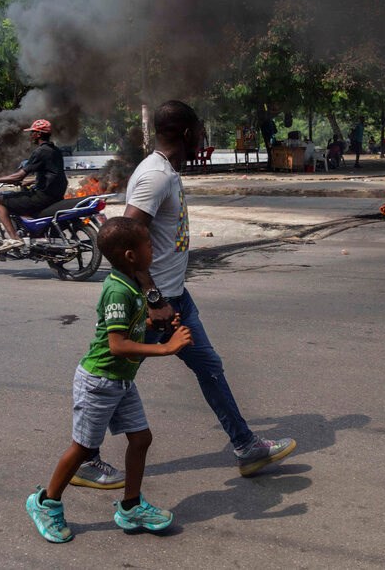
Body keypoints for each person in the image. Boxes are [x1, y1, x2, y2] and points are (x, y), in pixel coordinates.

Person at [73, 100, 296, 488]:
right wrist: (154, 300)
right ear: (190, 133)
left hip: (177, 297)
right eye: (201, 131)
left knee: (209, 367)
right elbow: (124, 241)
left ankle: (246, 446)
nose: (204, 138)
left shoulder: (168, 172)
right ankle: (84, 458)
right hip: (156, 303)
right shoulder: (154, 177)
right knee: (112, 377)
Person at [25, 216, 193, 543]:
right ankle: (46, 502)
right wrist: (169, 349)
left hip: (120, 381)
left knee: (141, 439)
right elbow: (117, 345)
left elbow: (131, 330)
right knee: (83, 448)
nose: (153, 248)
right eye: (148, 244)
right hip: (99, 381)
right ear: (131, 255)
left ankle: (130, 507)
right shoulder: (118, 290)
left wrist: (160, 328)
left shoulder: (132, 284)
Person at [0, 119, 68, 253]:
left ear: (38, 134)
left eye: (32, 133)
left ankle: (15, 239)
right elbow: (52, 173)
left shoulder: (40, 152)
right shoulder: (55, 151)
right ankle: (33, 235)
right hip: (56, 194)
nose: (30, 135)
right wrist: (32, 182)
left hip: (44, 196)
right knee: (22, 197)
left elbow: (19, 176)